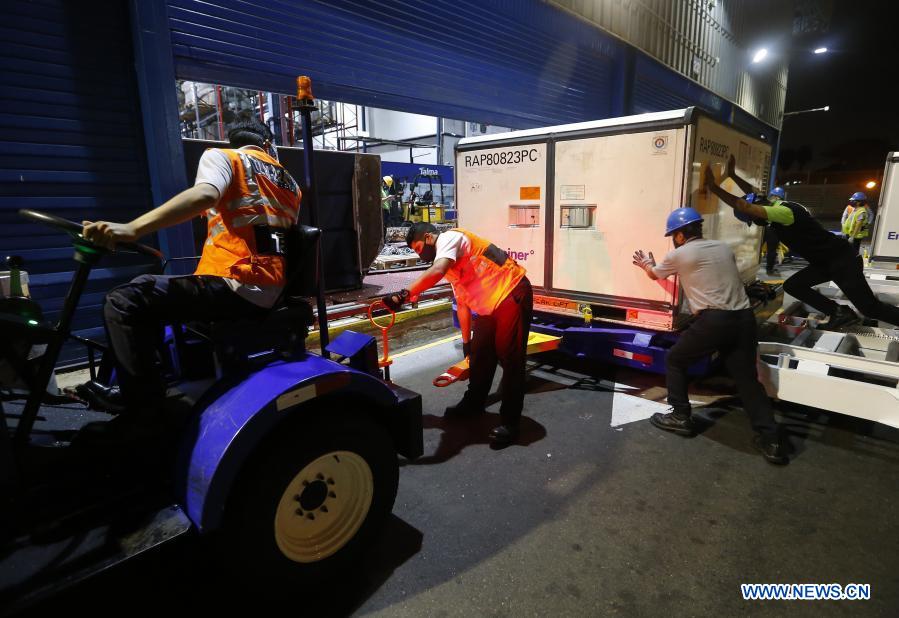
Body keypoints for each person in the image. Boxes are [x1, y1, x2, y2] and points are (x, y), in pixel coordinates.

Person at [78, 120, 302, 442]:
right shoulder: (291, 184)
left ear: (234, 141)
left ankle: (145, 410)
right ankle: (150, 383)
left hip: (232, 281)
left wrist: (133, 228)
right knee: (151, 291)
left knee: (125, 300)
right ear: (267, 144)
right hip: (271, 287)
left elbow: (204, 195)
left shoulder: (226, 159)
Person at [632, 207, 788, 464]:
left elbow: (654, 274)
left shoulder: (680, 254)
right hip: (744, 318)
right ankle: (770, 439)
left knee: (675, 360)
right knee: (747, 379)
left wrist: (646, 263)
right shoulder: (723, 248)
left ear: (680, 236)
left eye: (673, 235)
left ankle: (680, 416)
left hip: (715, 320)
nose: (673, 239)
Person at [382, 222, 532, 446]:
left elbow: (437, 270)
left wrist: (404, 294)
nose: (420, 254)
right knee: (480, 356)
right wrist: (466, 341)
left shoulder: (450, 238)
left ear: (429, 238)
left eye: (419, 248)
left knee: (510, 358)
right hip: (490, 306)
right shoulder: (453, 266)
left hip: (511, 291)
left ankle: (510, 423)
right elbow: (462, 303)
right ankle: (474, 403)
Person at [706, 158, 899, 330]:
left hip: (842, 261)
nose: (756, 222)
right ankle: (839, 312)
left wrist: (713, 188)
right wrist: (731, 175)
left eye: (754, 219)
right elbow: (751, 195)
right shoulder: (775, 205)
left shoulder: (782, 213)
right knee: (794, 285)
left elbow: (745, 205)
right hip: (826, 262)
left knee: (870, 308)